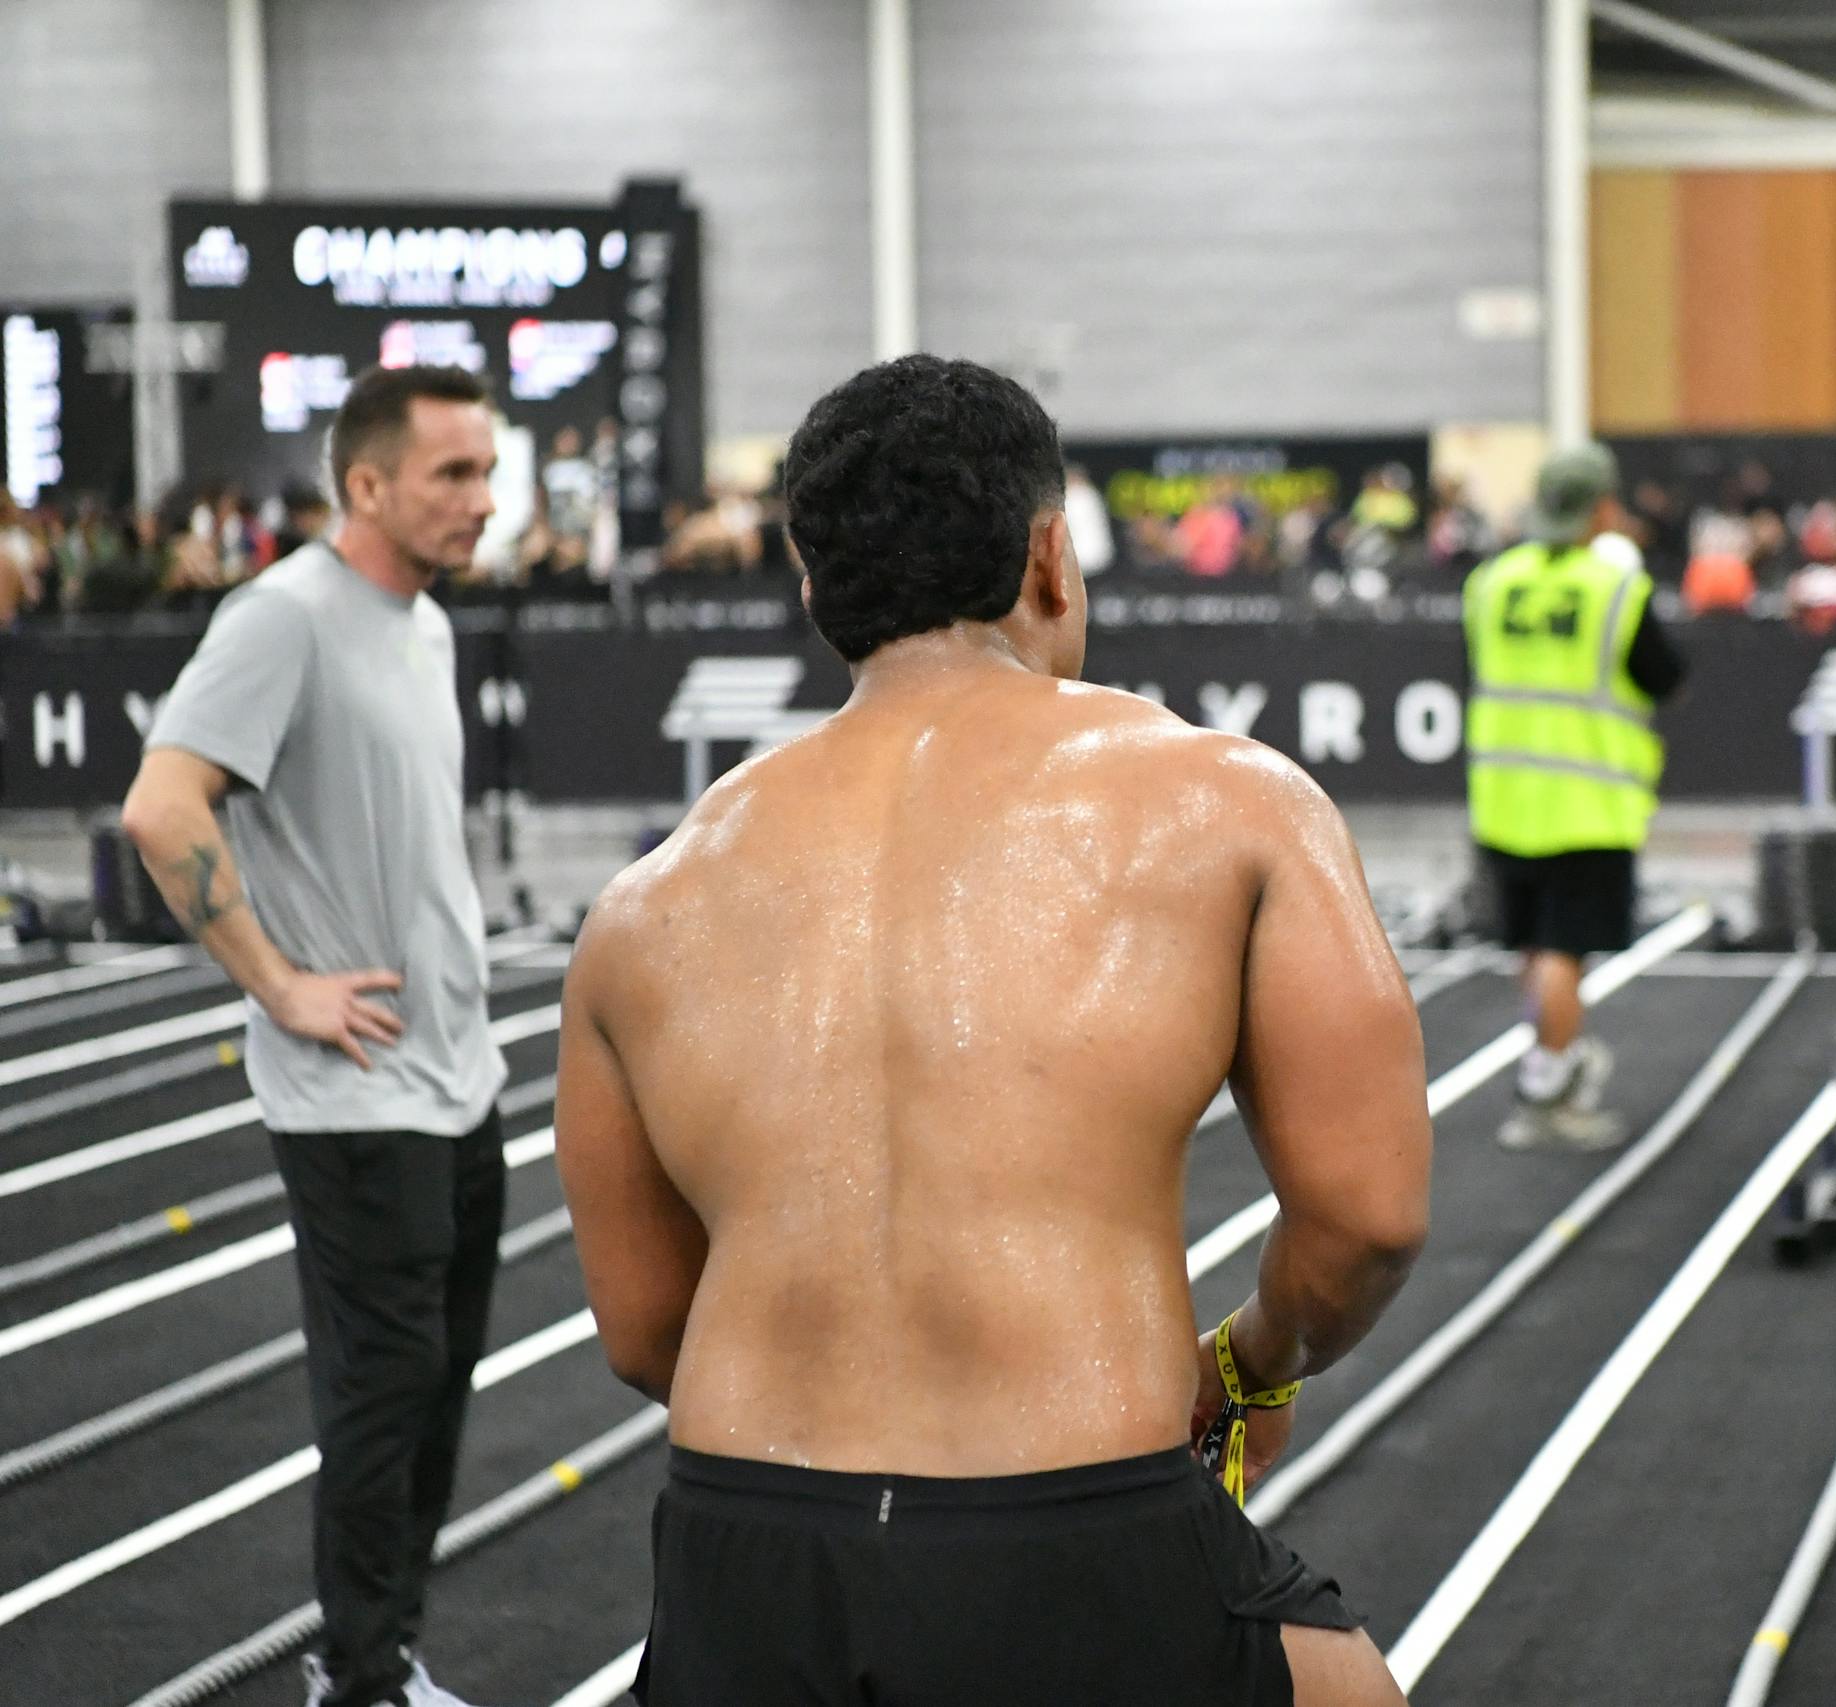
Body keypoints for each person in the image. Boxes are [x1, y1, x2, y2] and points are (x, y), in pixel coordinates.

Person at [554, 355, 1429, 1707]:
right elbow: (1365, 1216)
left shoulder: (641, 905)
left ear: (811, 582)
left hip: (744, 1550)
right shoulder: (1234, 802)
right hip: (1074, 1534)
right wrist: (1249, 1365)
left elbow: (641, 1328)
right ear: (1049, 561)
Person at [116, 365, 506, 1707]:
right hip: (353, 1093)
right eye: (454, 473)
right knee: (382, 1399)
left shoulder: (427, 625)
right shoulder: (280, 616)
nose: (483, 499)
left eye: (487, 471)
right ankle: (360, 1676)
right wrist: (279, 983)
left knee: (439, 1391)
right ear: (366, 483)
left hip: (457, 1079)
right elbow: (163, 809)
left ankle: (384, 1654)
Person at [1461, 444, 1685, 1151]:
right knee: (1565, 949)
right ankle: (1547, 1089)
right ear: (1605, 509)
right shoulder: (1616, 586)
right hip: (1586, 805)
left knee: (1535, 946)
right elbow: (1664, 675)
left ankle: (1551, 1059)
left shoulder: (1492, 582)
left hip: (1504, 800)